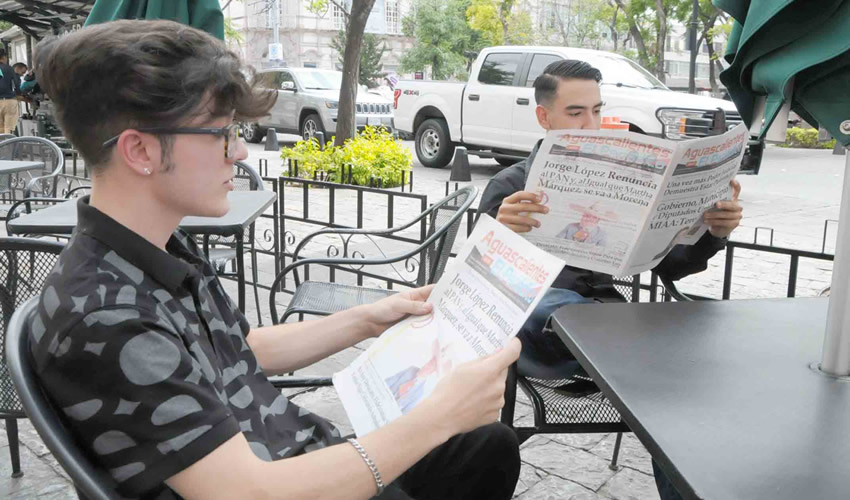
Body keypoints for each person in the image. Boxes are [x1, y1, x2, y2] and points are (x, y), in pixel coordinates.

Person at [32, 20, 521, 500]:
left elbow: (239, 348)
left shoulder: (149, 249)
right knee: (477, 443)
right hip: (284, 482)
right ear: (140, 150)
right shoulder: (108, 315)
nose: (240, 151)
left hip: (295, 455)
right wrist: (440, 415)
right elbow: (252, 492)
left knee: (486, 445)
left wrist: (371, 318)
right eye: (221, 133)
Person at [477, 59, 743, 500]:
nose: (592, 122)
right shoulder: (511, 185)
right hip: (541, 325)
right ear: (545, 117)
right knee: (551, 303)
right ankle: (645, 355)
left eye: (597, 110)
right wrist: (499, 228)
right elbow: (481, 274)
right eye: (576, 112)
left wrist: (713, 232)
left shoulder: (615, 176)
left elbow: (670, 266)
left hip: (610, 327)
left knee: (672, 398)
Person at [0, 49, 21, 134]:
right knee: (8, 129)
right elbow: (16, 84)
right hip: (9, 101)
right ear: (4, 57)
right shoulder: (9, 69)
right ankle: (9, 146)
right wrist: (19, 93)